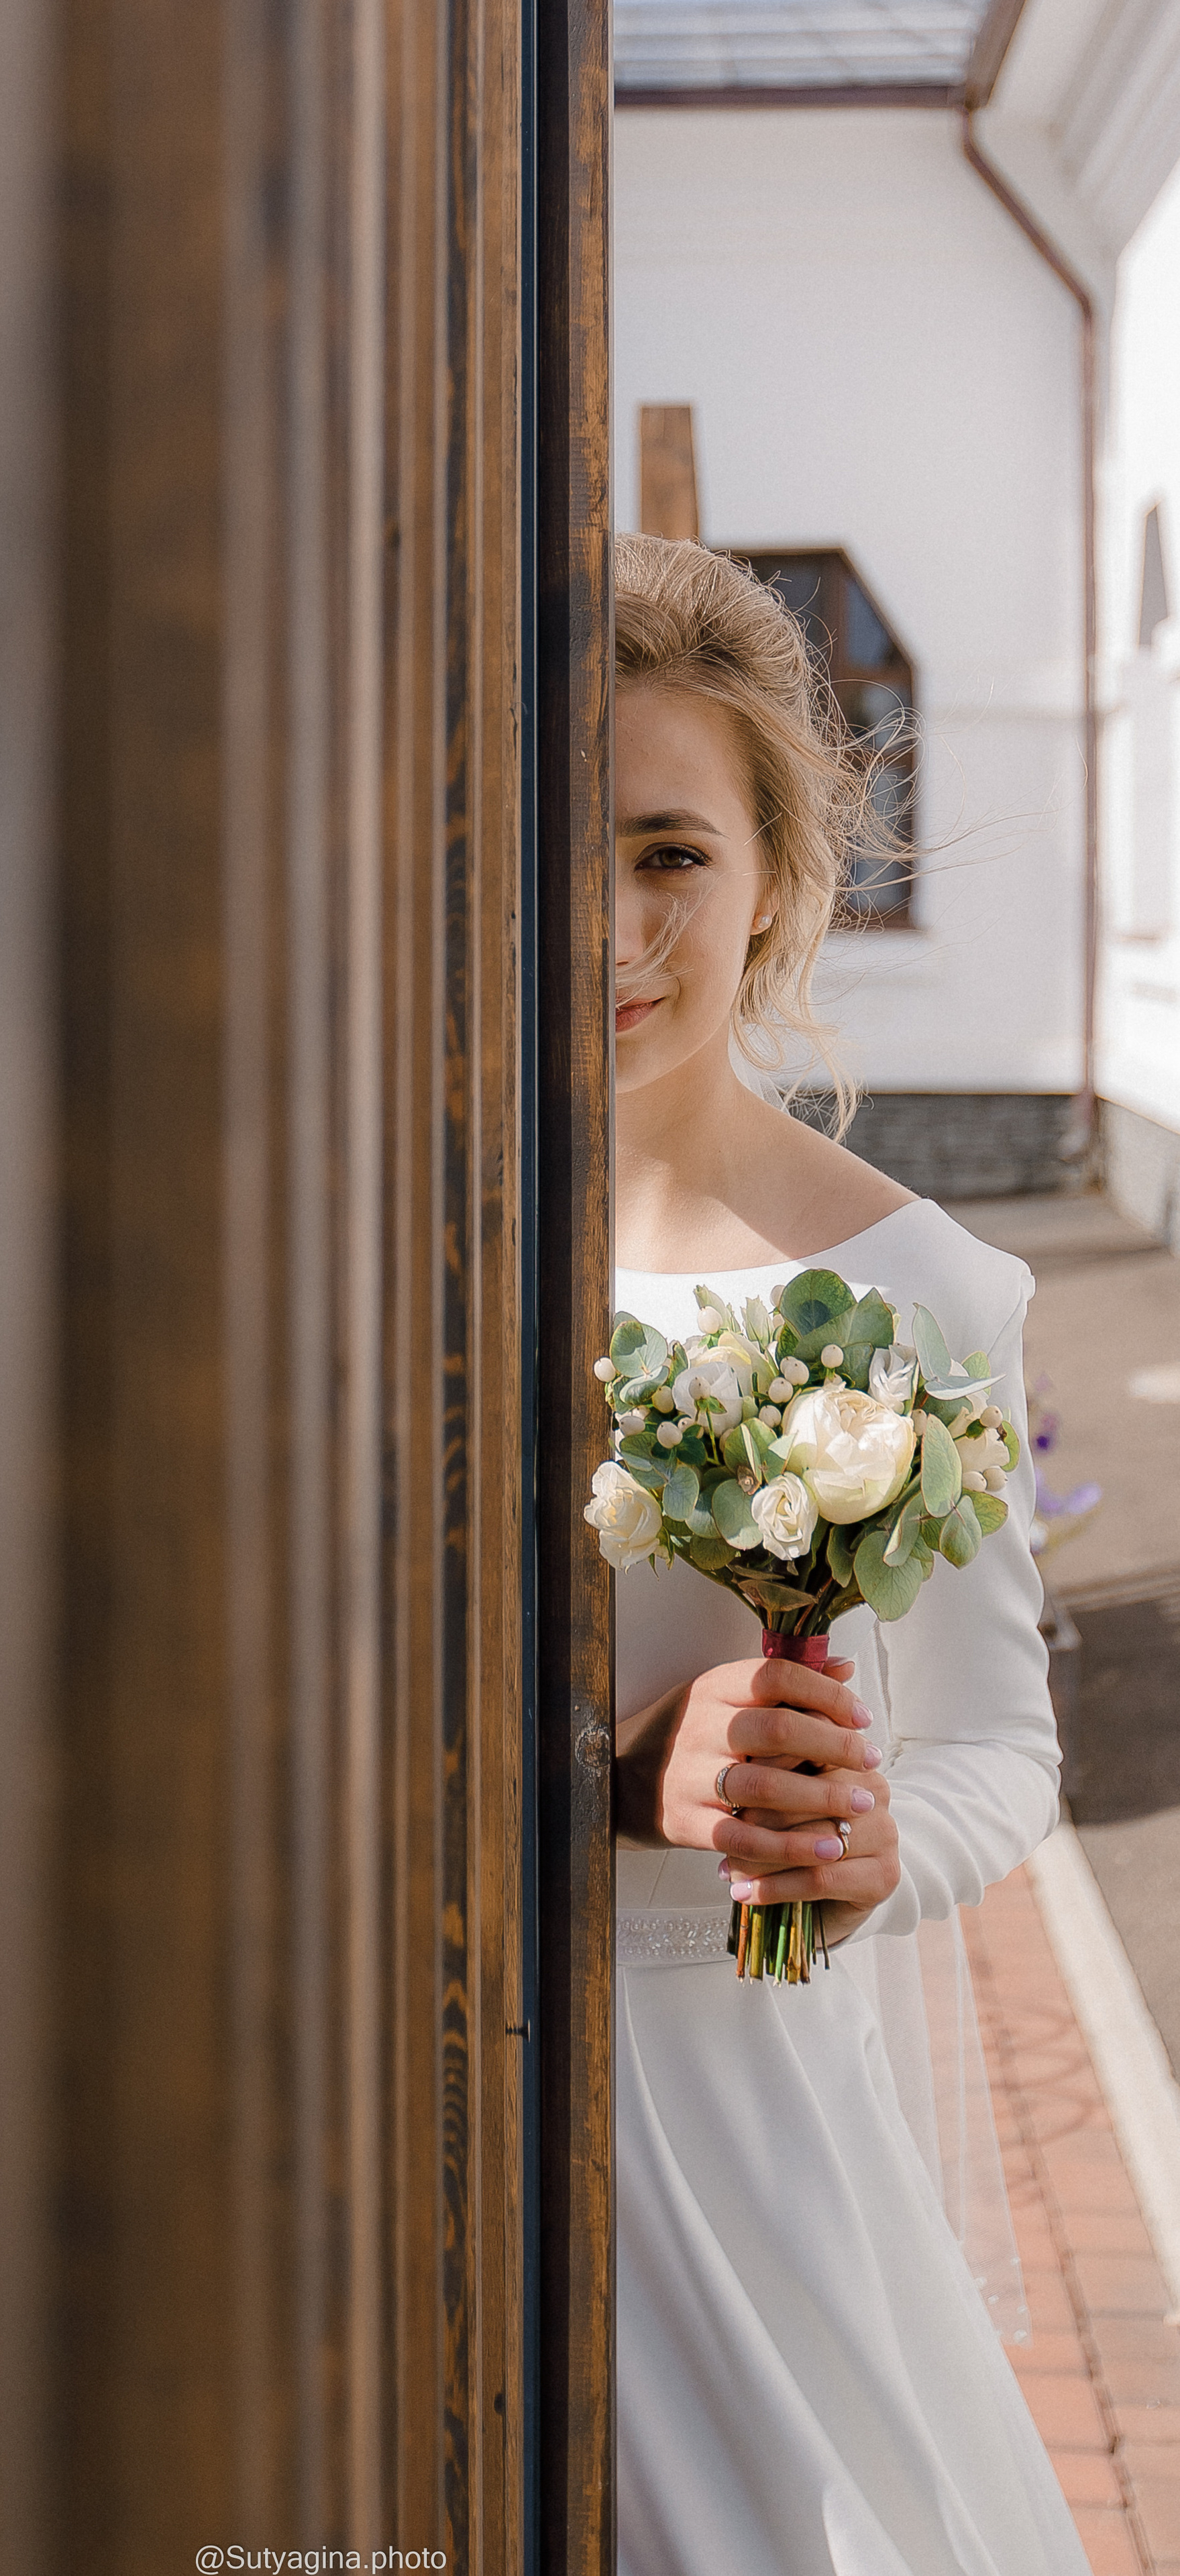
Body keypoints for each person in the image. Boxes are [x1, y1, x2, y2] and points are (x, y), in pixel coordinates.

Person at [607, 534, 1089, 2576]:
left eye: (669, 854)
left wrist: (875, 1844)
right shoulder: (365, 1248)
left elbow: (1000, 1747)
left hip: (745, 2114)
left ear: (778, 877)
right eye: (553, 847)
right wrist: (612, 1768)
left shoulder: (919, 1290)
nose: (610, 926)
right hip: (396, 2077)